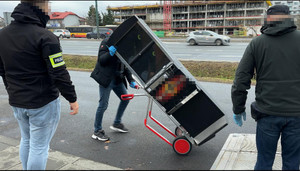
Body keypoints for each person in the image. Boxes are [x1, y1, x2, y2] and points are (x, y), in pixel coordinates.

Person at [0, 0, 79, 170]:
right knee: (39, 147)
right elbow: (59, 72)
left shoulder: (2, 35)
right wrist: (72, 98)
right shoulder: (46, 37)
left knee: (27, 140)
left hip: (17, 101)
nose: (49, 8)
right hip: (42, 102)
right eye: (48, 4)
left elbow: (2, 70)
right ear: (41, 5)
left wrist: (13, 91)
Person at [231, 5, 300, 170]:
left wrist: (238, 108)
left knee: (264, 161)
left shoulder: (257, 43)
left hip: (267, 113)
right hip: (297, 115)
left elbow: (241, 79)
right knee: (292, 163)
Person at [90, 37, 139, 141]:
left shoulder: (125, 46)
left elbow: (125, 65)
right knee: (103, 105)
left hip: (118, 79)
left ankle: (117, 123)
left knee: (125, 99)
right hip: (107, 79)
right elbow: (102, 60)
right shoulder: (106, 42)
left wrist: (131, 81)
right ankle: (97, 131)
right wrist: (110, 53)